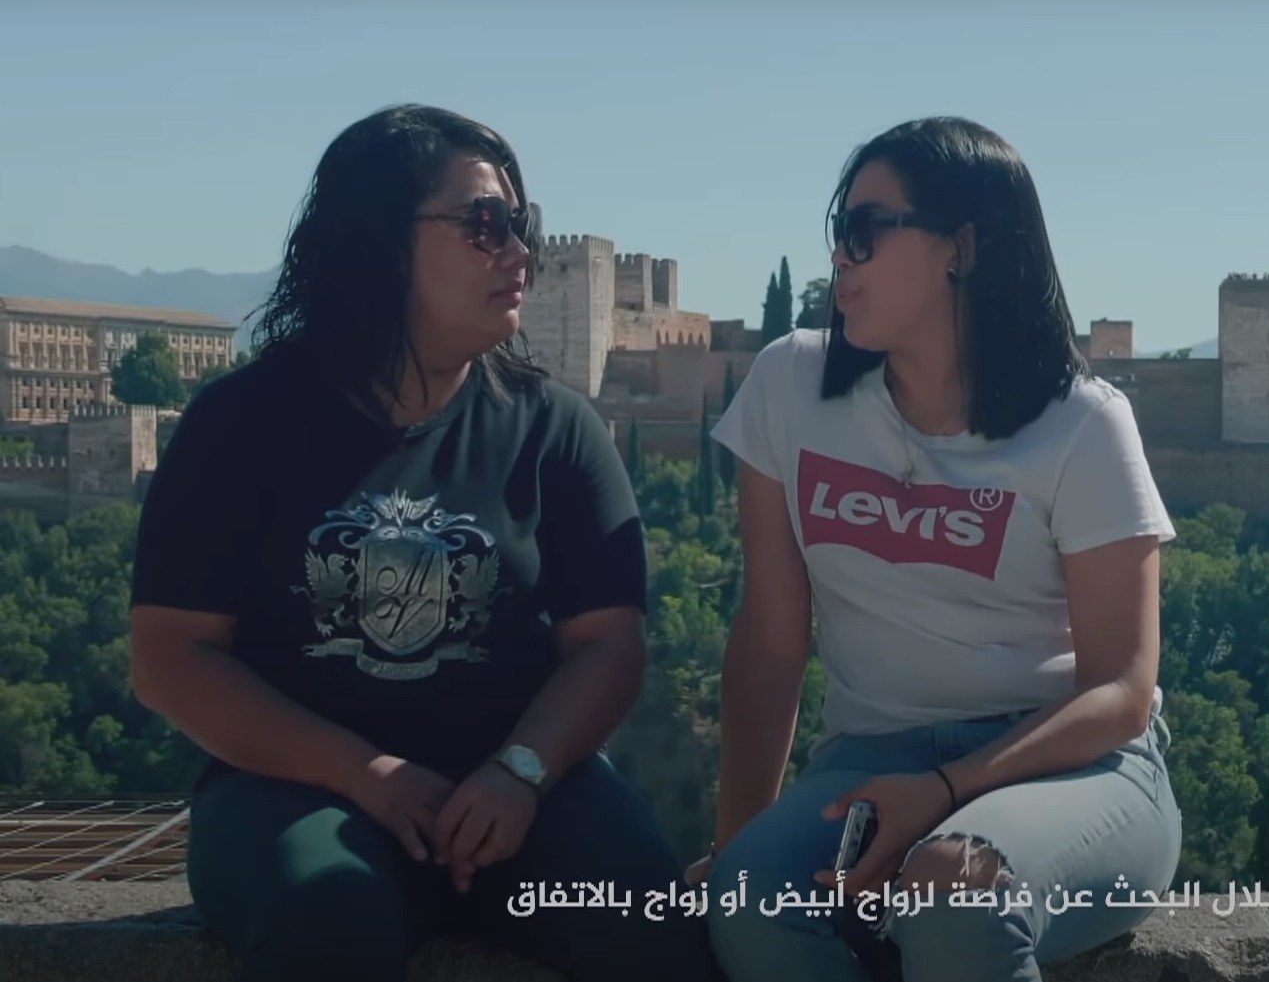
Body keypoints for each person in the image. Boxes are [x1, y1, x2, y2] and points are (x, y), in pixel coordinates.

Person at [128, 104, 720, 982]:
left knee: (649, 925)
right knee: (327, 922)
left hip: (525, 788)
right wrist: (362, 771)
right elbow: (171, 657)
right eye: (485, 224)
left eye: (521, 224)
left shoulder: (553, 428)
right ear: (379, 240)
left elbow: (608, 646)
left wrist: (519, 771)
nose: (518, 252)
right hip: (294, 790)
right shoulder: (240, 425)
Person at [692, 116, 1183, 982]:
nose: (840, 256)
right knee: (753, 908)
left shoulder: (1082, 425)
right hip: (869, 761)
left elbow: (1121, 692)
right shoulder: (788, 386)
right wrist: (740, 849)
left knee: (957, 889)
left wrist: (948, 789)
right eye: (838, 229)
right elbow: (770, 642)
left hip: (1070, 766)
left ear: (961, 247)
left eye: (865, 230)